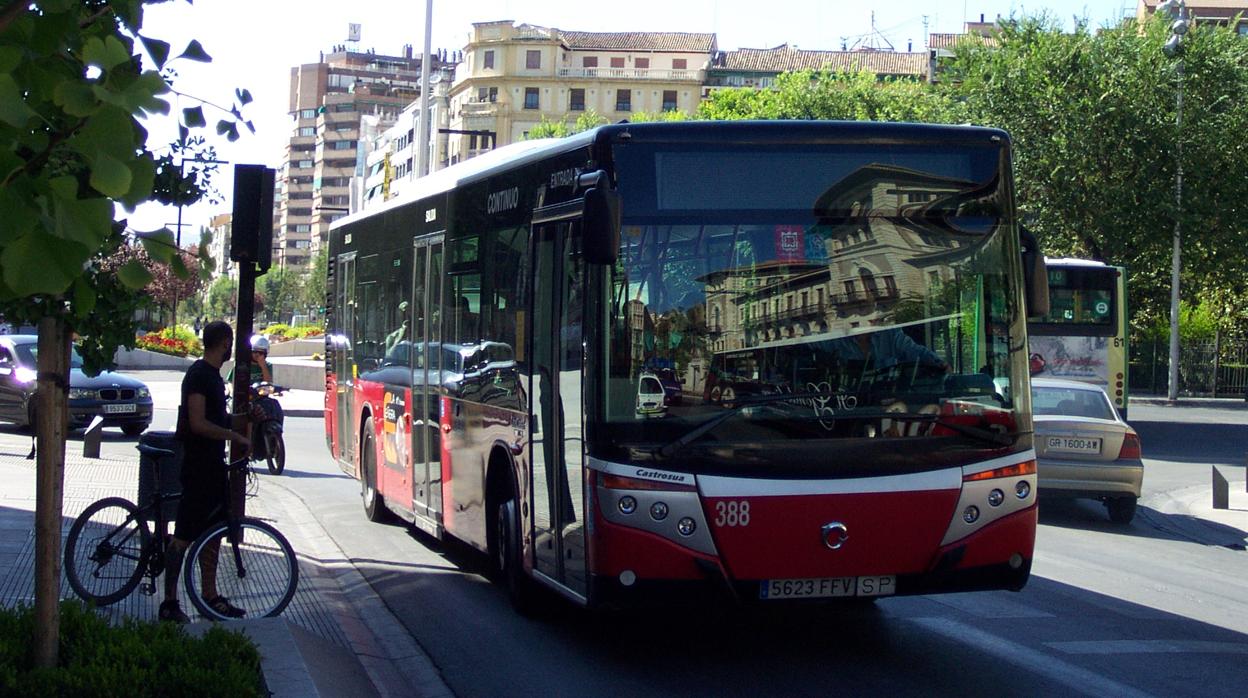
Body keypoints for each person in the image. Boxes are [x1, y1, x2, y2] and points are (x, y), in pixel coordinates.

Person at [159, 321, 250, 623]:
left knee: (214, 532)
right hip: (198, 466)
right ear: (224, 342)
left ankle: (209, 597)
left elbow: (221, 420)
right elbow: (198, 423)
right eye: (231, 343)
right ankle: (169, 602)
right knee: (183, 536)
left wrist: (247, 419)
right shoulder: (199, 375)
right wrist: (233, 437)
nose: (231, 349)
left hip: (213, 466)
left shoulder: (212, 376)